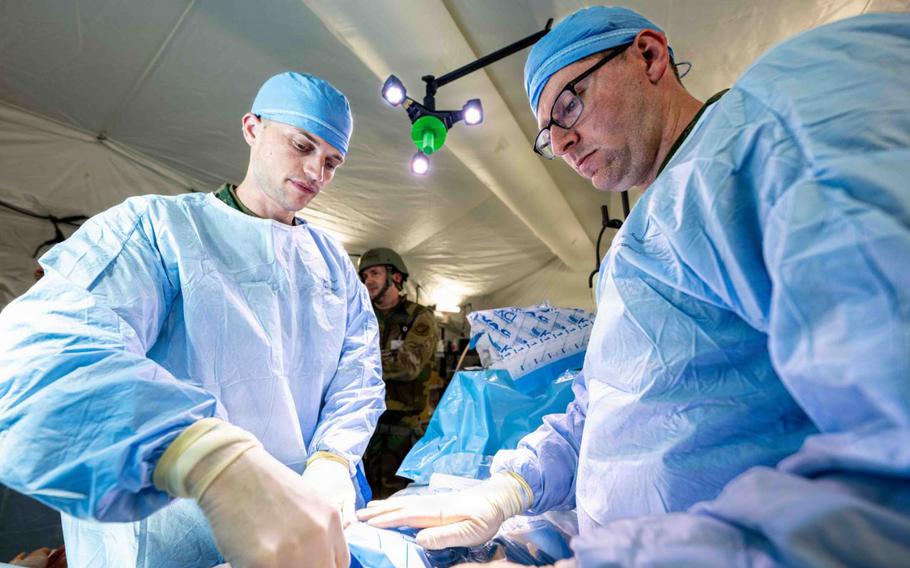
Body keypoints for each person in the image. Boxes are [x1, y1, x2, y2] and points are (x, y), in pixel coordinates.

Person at [358, 7, 910, 566]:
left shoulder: (767, 129)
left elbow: (888, 468)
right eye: (548, 133)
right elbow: (605, 408)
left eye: (569, 103)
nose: (565, 141)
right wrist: (515, 495)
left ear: (648, 55)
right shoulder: (638, 243)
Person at [0, 71, 386, 568]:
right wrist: (208, 461)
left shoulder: (334, 268)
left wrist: (333, 460)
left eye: (332, 162)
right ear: (252, 128)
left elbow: (359, 377)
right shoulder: (157, 230)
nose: (316, 171)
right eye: (301, 145)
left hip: (299, 525)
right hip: (165, 526)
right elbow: (43, 352)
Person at [358, 247, 439, 498]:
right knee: (362, 493)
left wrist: (360, 361)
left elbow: (407, 366)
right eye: (364, 276)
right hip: (366, 422)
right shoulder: (362, 315)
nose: (368, 281)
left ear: (394, 276)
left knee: (395, 498)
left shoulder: (419, 316)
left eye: (374, 273)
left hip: (402, 429)